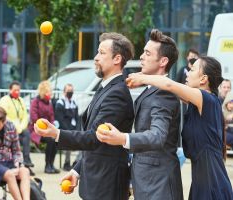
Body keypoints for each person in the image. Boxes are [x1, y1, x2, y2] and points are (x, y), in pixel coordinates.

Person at [34, 32, 135, 200]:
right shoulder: (106, 88)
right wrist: (77, 170)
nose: (96, 57)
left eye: (102, 53)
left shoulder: (117, 94)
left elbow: (93, 138)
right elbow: (95, 142)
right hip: (96, 180)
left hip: (106, 185)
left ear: (117, 59)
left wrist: (56, 133)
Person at [121, 56, 233, 199]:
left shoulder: (207, 99)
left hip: (212, 182)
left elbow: (169, 85)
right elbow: (170, 89)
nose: (187, 73)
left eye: (192, 70)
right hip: (201, 180)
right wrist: (144, 79)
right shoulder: (198, 102)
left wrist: (142, 78)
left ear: (203, 79)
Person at [96, 29, 183, 199]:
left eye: (147, 53)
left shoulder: (163, 93)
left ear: (163, 61)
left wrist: (123, 138)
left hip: (159, 187)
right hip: (147, 183)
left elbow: (157, 136)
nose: (141, 57)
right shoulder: (150, 90)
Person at [0, 81, 34, 168]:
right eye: (15, 90)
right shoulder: (4, 100)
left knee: (26, 134)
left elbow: (25, 116)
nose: (17, 92)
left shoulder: (21, 100)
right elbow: (4, 116)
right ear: (10, 90)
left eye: (18, 90)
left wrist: (21, 127)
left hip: (20, 128)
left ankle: (26, 160)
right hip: (9, 128)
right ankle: (17, 162)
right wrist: (16, 127)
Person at [28, 80, 60, 174]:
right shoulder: (35, 102)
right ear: (43, 92)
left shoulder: (49, 103)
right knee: (51, 139)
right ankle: (47, 165)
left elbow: (52, 117)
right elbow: (34, 117)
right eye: (48, 92)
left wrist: (51, 126)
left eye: (50, 92)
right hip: (36, 129)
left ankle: (51, 164)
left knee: (55, 138)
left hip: (47, 129)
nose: (49, 94)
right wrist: (45, 127)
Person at [55, 83, 80, 171]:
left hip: (73, 129)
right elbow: (60, 120)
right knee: (68, 142)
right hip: (64, 129)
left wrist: (77, 129)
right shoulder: (60, 103)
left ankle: (76, 163)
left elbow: (77, 118)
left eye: (71, 91)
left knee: (85, 140)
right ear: (64, 92)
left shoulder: (74, 103)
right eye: (68, 91)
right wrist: (69, 131)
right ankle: (67, 163)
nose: (70, 93)